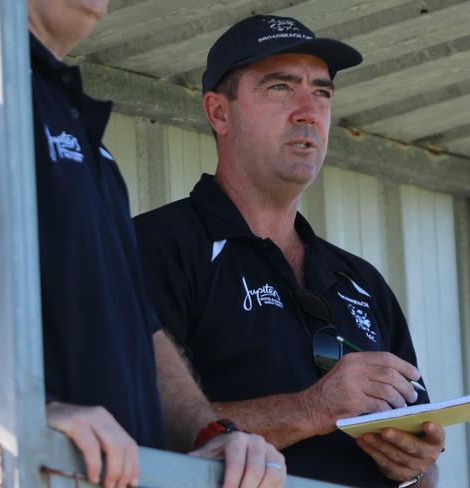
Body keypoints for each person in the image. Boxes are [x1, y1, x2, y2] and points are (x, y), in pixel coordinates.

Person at [0, 3, 286, 488]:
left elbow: (136, 323)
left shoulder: (72, 119)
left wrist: (207, 431)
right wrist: (28, 410)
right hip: (9, 471)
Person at [134, 15, 445, 488]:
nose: (308, 111)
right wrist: (312, 408)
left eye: (321, 92)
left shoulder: (361, 281)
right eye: (280, 88)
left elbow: (425, 467)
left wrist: (415, 465)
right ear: (219, 112)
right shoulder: (155, 246)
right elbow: (133, 419)